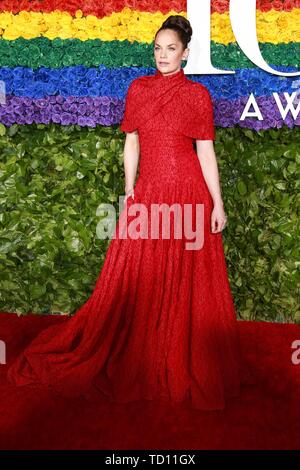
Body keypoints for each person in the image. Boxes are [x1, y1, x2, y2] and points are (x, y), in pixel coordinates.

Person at [7, 15, 241, 410]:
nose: (162, 55)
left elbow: (205, 152)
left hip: (190, 197)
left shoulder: (198, 96)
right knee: (138, 277)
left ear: (186, 54)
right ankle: (145, 355)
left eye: (171, 49)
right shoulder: (139, 89)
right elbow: (131, 141)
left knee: (188, 285)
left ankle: (181, 361)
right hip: (148, 194)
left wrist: (217, 203)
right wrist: (130, 188)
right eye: (157, 48)